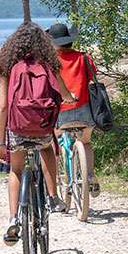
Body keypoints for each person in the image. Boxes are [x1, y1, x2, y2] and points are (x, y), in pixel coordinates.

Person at [0, 22, 75, 246]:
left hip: (17, 128)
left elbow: (2, 107)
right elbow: (63, 93)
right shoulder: (49, 63)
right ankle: (52, 197)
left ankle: (13, 219)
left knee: (16, 169)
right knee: (48, 147)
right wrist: (70, 99)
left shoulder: (8, 66)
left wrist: (1, 142)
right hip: (41, 127)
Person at [47, 23, 100, 197]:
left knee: (53, 145)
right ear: (70, 40)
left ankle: (55, 180)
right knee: (85, 142)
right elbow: (93, 80)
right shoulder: (84, 58)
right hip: (84, 110)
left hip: (60, 112)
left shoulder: (50, 62)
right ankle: (90, 175)